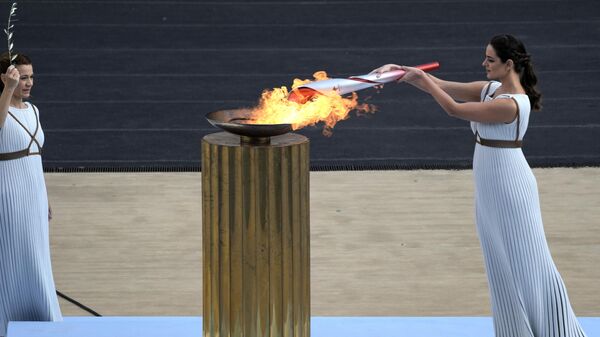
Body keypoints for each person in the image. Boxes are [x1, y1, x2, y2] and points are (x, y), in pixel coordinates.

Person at [371, 34, 588, 337]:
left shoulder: (512, 104)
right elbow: (444, 86)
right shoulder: (491, 90)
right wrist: (403, 72)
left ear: (508, 64)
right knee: (499, 264)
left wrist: (422, 78)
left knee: (528, 261)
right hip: (489, 186)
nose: (483, 63)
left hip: (510, 188)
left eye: (490, 59)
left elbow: (454, 109)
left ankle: (556, 330)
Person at [0, 52, 62, 336]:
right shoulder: (2, 107)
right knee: (14, 256)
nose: (28, 83)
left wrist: (45, 194)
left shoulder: (34, 110)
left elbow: (35, 156)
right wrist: (7, 91)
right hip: (9, 194)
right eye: (22, 77)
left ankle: (43, 315)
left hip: (34, 193)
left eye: (31, 77)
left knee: (37, 255)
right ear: (7, 78)